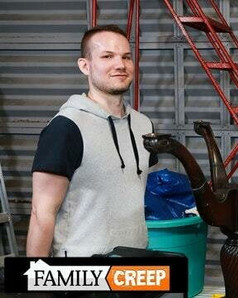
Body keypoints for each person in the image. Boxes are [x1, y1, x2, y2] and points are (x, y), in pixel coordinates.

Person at [26, 24, 158, 257]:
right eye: (107, 56)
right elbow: (41, 212)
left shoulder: (143, 125)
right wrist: (39, 282)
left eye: (126, 57)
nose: (120, 65)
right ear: (84, 66)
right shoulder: (66, 127)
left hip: (134, 265)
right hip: (81, 274)